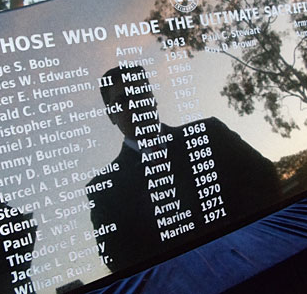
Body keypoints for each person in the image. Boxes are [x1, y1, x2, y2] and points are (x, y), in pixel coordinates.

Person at [86, 66, 280, 273]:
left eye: (139, 93)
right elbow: (120, 260)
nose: (134, 105)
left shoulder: (210, 133)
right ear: (111, 115)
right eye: (122, 101)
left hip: (259, 262)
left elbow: (265, 177)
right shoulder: (103, 191)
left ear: (152, 98)